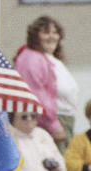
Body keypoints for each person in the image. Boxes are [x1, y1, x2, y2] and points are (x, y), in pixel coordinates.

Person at [14, 16, 78, 153]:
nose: (52, 37)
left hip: (63, 120)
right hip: (48, 123)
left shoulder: (50, 59)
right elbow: (37, 95)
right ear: (35, 35)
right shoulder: (32, 58)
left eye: (55, 32)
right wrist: (53, 124)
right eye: (46, 32)